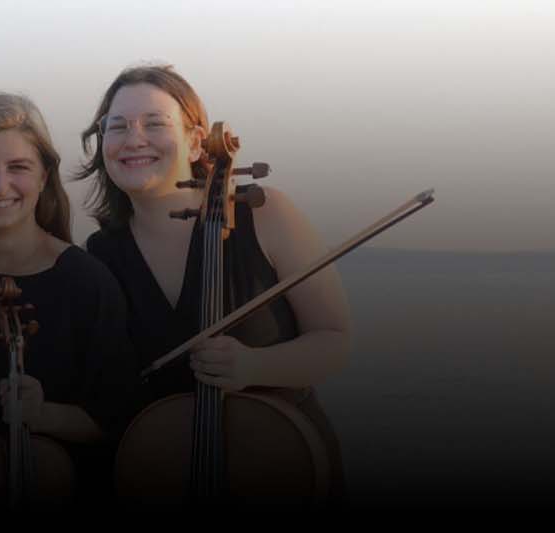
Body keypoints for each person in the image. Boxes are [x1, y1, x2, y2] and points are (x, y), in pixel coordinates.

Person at [77, 65, 351, 500]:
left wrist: (254, 367)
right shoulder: (102, 254)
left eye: (154, 124)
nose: (134, 139)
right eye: (117, 127)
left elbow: (336, 341)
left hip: (281, 465)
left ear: (195, 141)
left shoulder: (265, 213)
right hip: (167, 471)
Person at [0, 93, 143, 505]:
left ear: (44, 176)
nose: (0, 184)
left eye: (19, 167)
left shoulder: (86, 282)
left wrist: (46, 415)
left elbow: (118, 420)